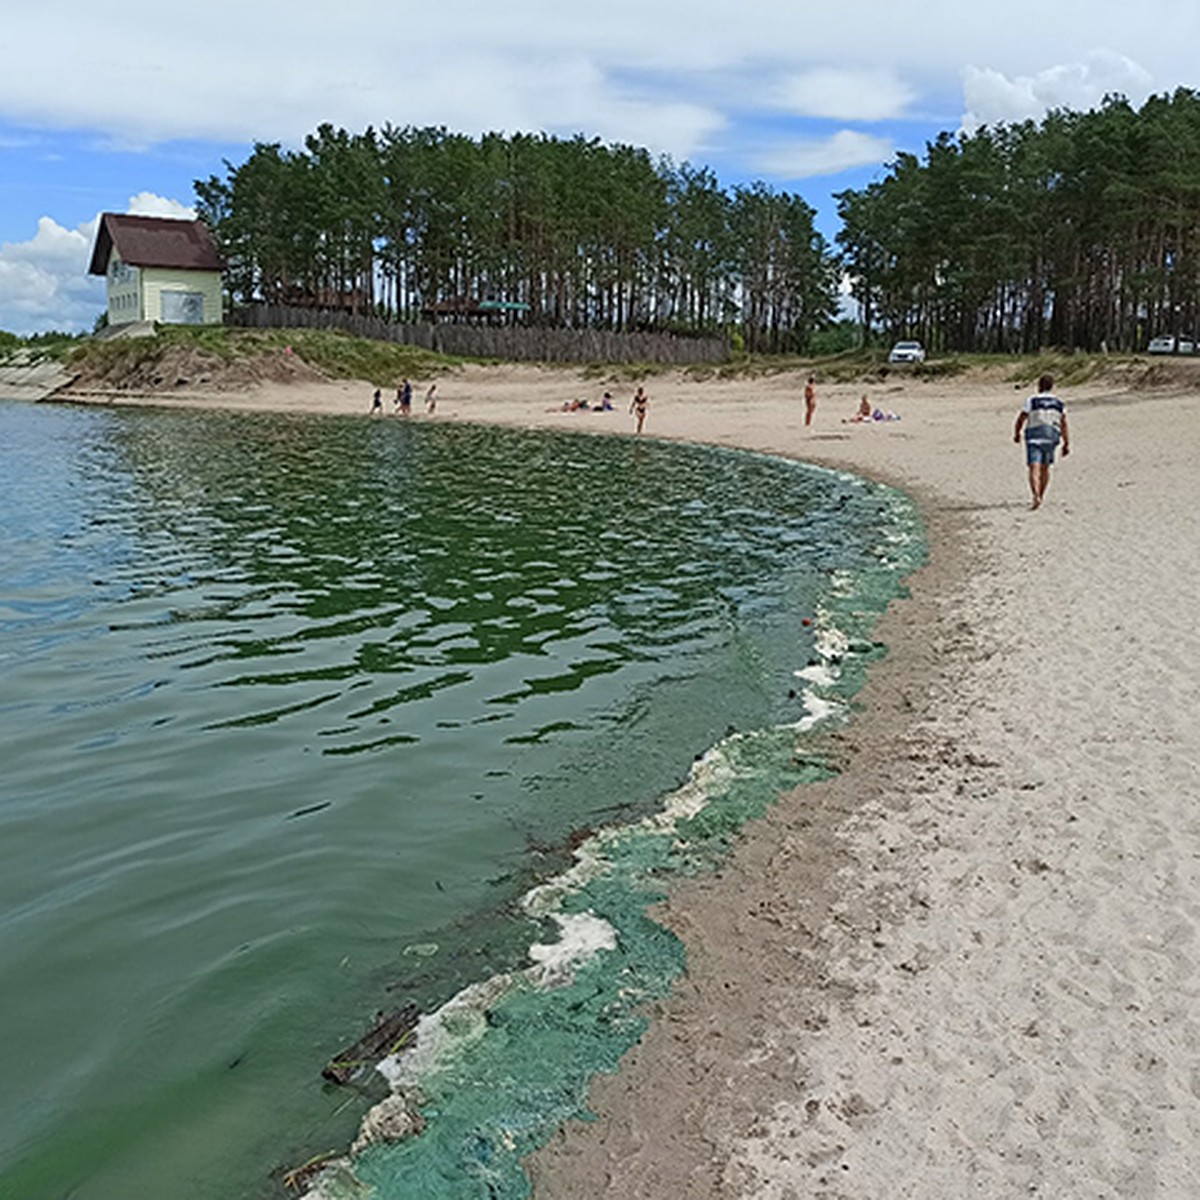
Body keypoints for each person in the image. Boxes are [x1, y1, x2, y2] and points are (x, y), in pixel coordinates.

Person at [1013, 372, 1069, 510]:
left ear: (1039, 386)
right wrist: (1066, 442)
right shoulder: (1059, 403)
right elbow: (1063, 423)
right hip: (1051, 436)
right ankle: (1041, 495)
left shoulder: (1032, 401)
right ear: (1052, 386)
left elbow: (1022, 417)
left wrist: (1017, 433)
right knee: (1045, 468)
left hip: (1034, 435)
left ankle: (1035, 495)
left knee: (1034, 467)